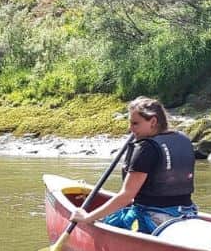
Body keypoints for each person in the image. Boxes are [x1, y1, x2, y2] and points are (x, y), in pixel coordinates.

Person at [70, 97, 197, 234]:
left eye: (135, 123)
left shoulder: (146, 148)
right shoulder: (183, 139)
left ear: (153, 121)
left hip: (153, 217)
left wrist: (87, 217)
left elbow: (126, 196)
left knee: (109, 221)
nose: (130, 128)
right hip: (188, 212)